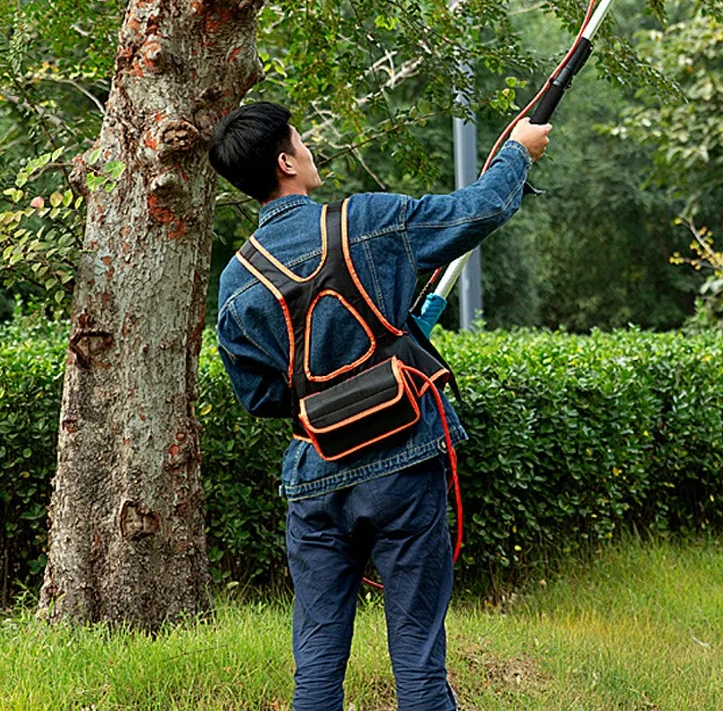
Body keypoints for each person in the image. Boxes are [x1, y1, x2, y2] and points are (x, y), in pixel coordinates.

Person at [208, 102, 551, 711]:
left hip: (314, 476)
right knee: (418, 659)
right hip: (403, 466)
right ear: (287, 162)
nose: (309, 148)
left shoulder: (236, 283)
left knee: (315, 668)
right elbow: (482, 208)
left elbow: (261, 397)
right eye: (300, 140)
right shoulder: (366, 220)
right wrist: (518, 152)